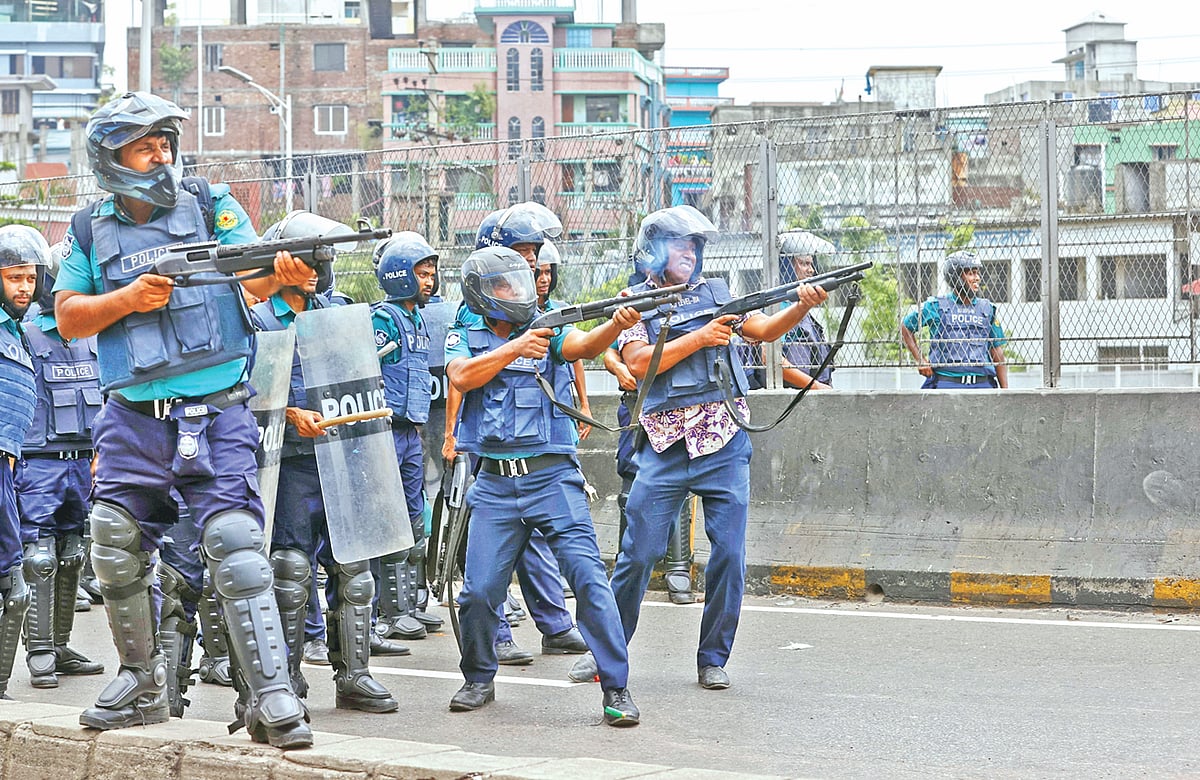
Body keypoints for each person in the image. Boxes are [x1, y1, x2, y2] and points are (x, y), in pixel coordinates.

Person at [55, 91, 312, 747]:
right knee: (113, 541)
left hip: (217, 409)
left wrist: (277, 275)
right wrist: (130, 297)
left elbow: (249, 277)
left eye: (166, 142)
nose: (161, 154)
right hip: (133, 415)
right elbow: (69, 316)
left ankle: (272, 696)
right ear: (111, 157)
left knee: (236, 547)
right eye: (146, 145)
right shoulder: (88, 229)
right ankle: (142, 681)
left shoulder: (207, 200)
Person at [570, 205, 827, 691]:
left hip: (724, 439)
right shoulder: (634, 304)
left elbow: (764, 331)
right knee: (637, 557)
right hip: (664, 446)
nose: (688, 252)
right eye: (678, 244)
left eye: (694, 245)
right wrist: (700, 338)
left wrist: (802, 305)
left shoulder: (719, 294)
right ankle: (606, 652)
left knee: (729, 554)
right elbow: (640, 362)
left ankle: (713, 657)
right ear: (653, 251)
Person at [445, 246, 641, 726]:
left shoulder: (547, 323)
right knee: (478, 592)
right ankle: (478, 677)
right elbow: (460, 375)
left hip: (552, 478)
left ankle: (616, 687)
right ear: (482, 293)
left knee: (589, 580)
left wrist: (617, 324)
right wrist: (514, 346)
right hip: (493, 484)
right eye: (506, 285)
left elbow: (584, 346)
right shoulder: (464, 331)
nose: (520, 291)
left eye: (522, 281)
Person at [250, 213, 403, 715]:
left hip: (344, 455)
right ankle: (287, 679)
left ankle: (354, 675)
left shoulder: (338, 314)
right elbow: (241, 390)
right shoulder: (256, 318)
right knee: (290, 571)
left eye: (324, 259)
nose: (318, 269)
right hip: (289, 465)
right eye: (309, 259)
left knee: (354, 567)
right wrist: (288, 412)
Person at [442, 207, 589, 664]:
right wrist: (450, 435)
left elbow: (573, 350)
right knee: (487, 563)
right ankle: (496, 636)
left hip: (541, 446)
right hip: (489, 448)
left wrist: (582, 405)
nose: (532, 264)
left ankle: (555, 623)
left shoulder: (536, 310)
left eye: (534, 255)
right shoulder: (472, 315)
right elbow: (460, 379)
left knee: (539, 544)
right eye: (522, 253)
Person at [15, 240, 105, 689]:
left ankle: (63, 644)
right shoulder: (26, 334)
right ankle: (40, 652)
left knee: (73, 554)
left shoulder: (90, 335)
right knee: (41, 558)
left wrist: (100, 453)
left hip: (82, 463)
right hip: (40, 465)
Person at [370, 231, 444, 641]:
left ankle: (411, 602)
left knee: (415, 518)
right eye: (422, 274)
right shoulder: (384, 318)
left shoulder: (416, 318)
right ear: (400, 276)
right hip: (385, 432)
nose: (429, 281)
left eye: (432, 274)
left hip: (411, 432)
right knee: (388, 519)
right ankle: (387, 609)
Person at [0, 225, 47, 699]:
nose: (24, 288)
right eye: (14, 278)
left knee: (12, 581)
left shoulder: (17, 332)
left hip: (8, 464)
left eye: (30, 279)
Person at [900, 250, 1008, 390]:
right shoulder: (935, 306)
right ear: (956, 277)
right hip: (947, 383)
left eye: (977, 273)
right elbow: (906, 326)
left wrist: (1005, 391)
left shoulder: (986, 309)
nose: (977, 278)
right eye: (970, 273)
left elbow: (997, 351)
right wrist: (920, 359)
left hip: (982, 385)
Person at [776, 230, 838, 391]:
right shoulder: (779, 306)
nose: (811, 270)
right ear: (787, 266)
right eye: (804, 264)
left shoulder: (798, 304)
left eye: (811, 264)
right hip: (794, 392)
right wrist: (815, 386)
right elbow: (772, 357)